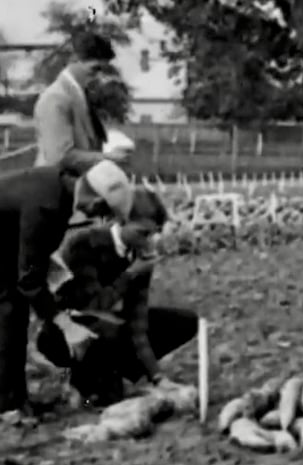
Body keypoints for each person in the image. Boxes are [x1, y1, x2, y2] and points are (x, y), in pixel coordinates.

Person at [36, 187, 197, 407]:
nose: (149, 241)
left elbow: (137, 320)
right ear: (121, 220)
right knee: (106, 393)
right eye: (143, 233)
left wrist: (158, 377)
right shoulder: (83, 245)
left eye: (154, 233)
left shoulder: (140, 255)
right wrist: (130, 274)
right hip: (66, 331)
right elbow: (93, 304)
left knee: (183, 322)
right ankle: (80, 378)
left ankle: (120, 372)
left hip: (108, 327)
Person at [0, 160, 134, 418]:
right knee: (8, 309)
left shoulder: (61, 185)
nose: (98, 218)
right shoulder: (46, 207)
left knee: (14, 307)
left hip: (4, 242)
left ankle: (13, 398)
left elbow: (33, 256)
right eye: (102, 212)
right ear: (95, 202)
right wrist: (68, 326)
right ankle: (9, 406)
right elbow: (29, 280)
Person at [33, 31, 129, 176]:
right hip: (54, 189)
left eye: (103, 70)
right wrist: (108, 158)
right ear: (74, 59)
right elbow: (60, 157)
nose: (99, 75)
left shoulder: (80, 94)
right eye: (95, 69)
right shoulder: (56, 98)